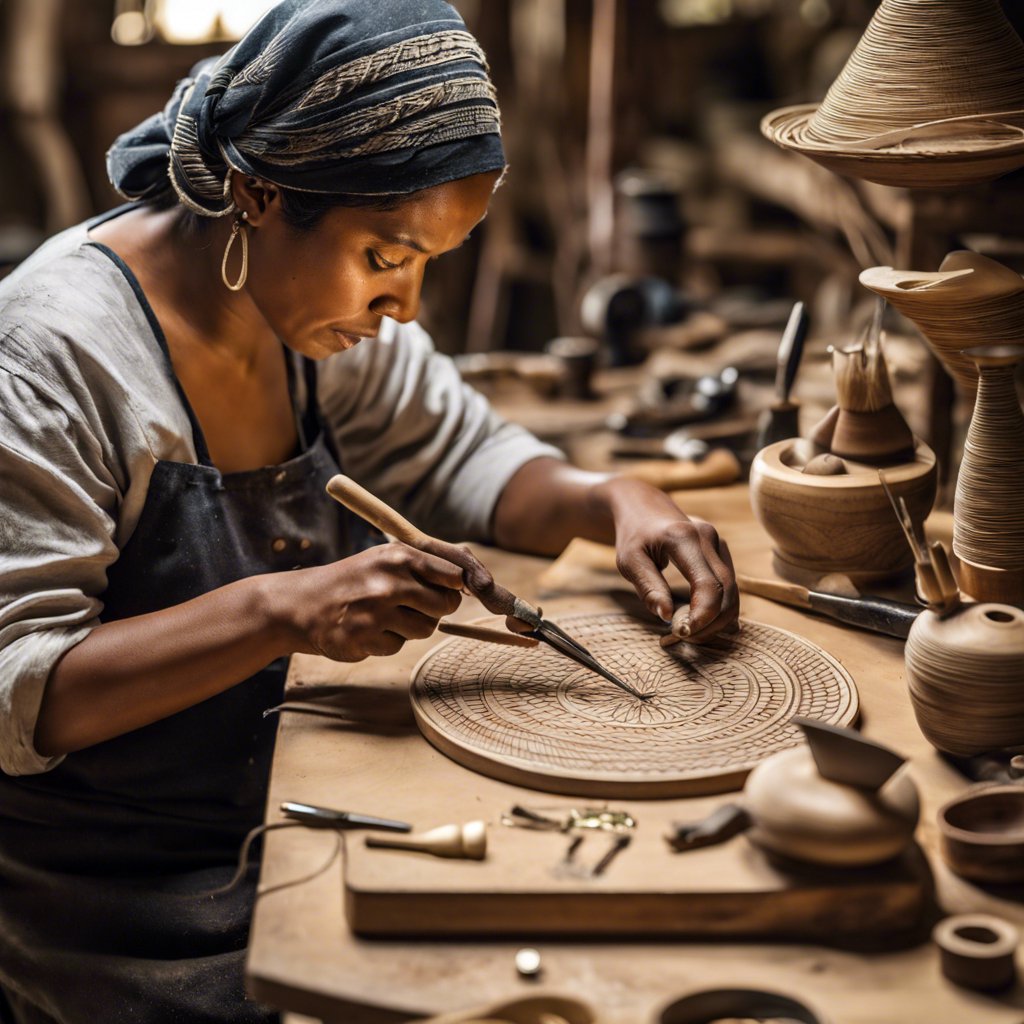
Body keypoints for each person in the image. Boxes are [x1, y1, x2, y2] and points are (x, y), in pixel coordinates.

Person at [0, 2, 738, 1020]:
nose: (407, 307)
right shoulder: (50, 357)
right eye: (388, 257)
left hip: (298, 811)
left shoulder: (315, 313)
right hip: (123, 906)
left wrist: (613, 496)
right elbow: (20, 692)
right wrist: (282, 610)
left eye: (432, 261)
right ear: (259, 195)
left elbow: (465, 453)